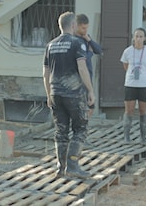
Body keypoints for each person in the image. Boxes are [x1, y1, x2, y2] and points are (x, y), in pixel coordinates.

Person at [43, 11, 95, 179]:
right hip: (73, 94)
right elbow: (82, 68)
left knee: (61, 130)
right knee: (80, 128)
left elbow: (45, 73)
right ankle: (72, 165)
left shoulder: (50, 45)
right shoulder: (76, 44)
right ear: (73, 25)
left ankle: (60, 167)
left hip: (55, 93)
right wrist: (91, 90)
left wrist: (48, 94)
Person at [120, 27, 146, 144]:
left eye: (141, 36)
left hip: (145, 84)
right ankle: (126, 137)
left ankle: (143, 137)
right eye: (136, 36)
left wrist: (143, 75)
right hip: (130, 84)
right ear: (133, 38)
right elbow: (125, 66)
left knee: (143, 110)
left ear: (145, 38)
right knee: (129, 110)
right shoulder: (127, 51)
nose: (139, 39)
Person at [75, 13, 103, 117]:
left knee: (90, 108)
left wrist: (89, 40)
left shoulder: (86, 37)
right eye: (83, 28)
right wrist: (90, 53)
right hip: (78, 79)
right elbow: (83, 58)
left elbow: (99, 50)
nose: (85, 30)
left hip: (88, 78)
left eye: (87, 28)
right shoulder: (74, 40)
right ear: (76, 26)